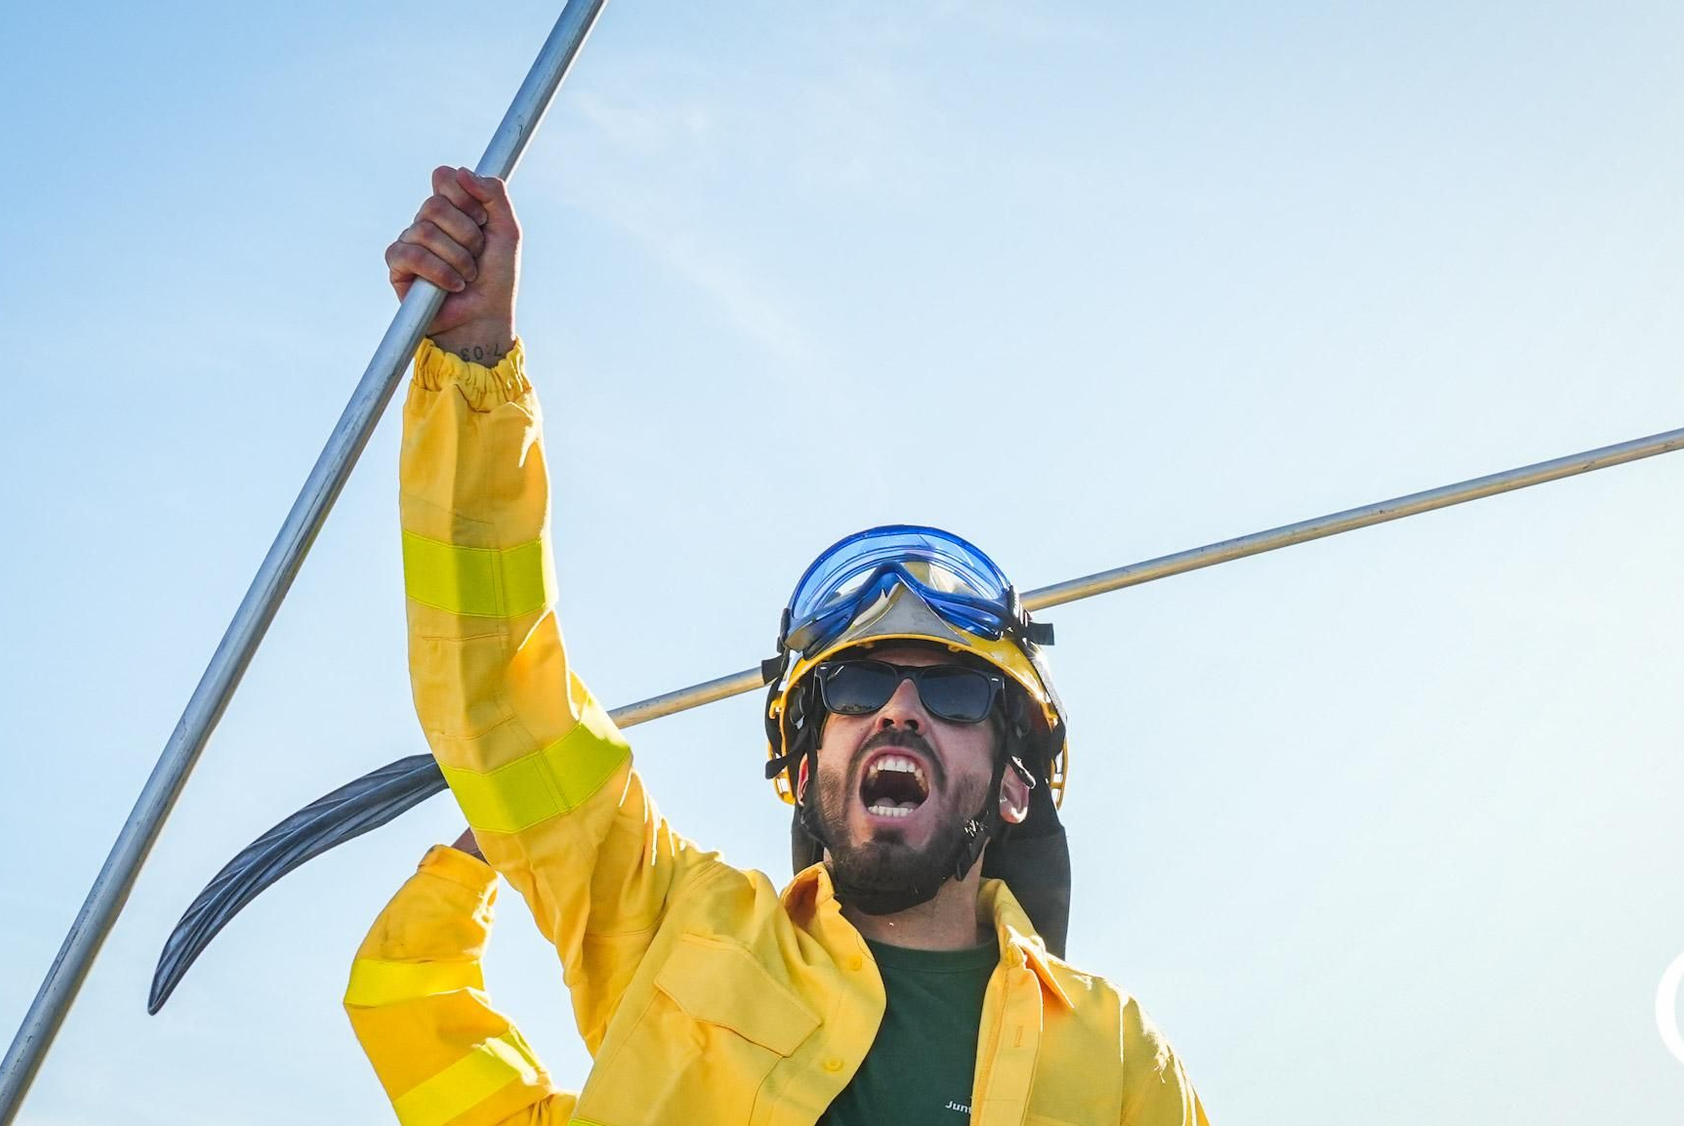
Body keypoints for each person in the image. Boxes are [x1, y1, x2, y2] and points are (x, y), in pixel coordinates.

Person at [350, 164, 1208, 1126]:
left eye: (956, 696)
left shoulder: (1122, 1057)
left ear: (1015, 783)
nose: (899, 708)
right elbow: (499, 694)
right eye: (856, 688)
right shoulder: (679, 931)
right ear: (801, 766)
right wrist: (473, 363)